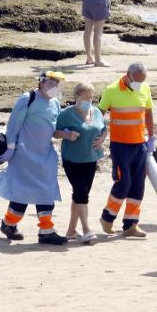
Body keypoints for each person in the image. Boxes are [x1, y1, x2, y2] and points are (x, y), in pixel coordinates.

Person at [0, 71, 77, 245]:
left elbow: (53, 130)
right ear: (42, 82)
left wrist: (66, 134)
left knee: (47, 192)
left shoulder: (55, 103)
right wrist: (11, 148)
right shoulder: (28, 98)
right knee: (22, 193)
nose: (55, 88)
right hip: (24, 155)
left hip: (45, 156)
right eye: (52, 83)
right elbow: (13, 125)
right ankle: (9, 223)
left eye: (58, 84)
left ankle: (46, 231)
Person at [97, 62, 155, 237]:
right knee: (124, 181)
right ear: (128, 75)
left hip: (140, 144)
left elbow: (149, 113)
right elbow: (99, 114)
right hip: (120, 145)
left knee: (138, 185)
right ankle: (107, 217)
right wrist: (99, 135)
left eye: (143, 81)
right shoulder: (112, 90)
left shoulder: (145, 88)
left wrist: (151, 137)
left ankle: (130, 224)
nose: (140, 84)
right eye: (137, 80)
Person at [56, 82, 106, 244]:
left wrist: (102, 139)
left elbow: (104, 129)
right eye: (85, 98)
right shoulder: (66, 114)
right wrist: (67, 134)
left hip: (91, 159)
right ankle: (86, 230)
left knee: (80, 195)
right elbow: (55, 132)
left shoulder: (96, 112)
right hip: (72, 159)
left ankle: (71, 230)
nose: (89, 101)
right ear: (76, 97)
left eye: (91, 98)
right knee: (81, 193)